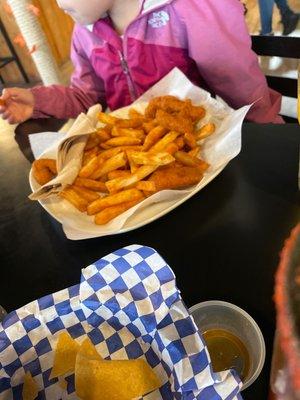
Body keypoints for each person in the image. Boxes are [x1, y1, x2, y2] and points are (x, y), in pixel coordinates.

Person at [0, 0, 283, 125]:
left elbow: (244, 92)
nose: (60, 4)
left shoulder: (191, 10)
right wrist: (38, 102)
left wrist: (273, 145)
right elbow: (87, 97)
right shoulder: (84, 34)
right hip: (140, 163)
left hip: (208, 152)